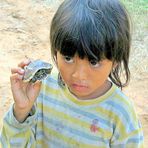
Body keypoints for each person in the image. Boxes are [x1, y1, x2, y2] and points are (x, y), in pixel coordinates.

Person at [0, 0, 144, 147]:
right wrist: (21, 111)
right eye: (68, 58)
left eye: (93, 62)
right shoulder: (40, 91)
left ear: (115, 60)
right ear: (56, 51)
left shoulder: (121, 115)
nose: (78, 75)